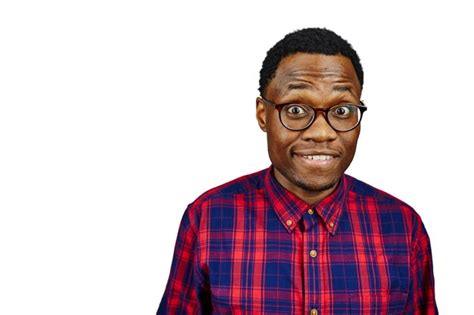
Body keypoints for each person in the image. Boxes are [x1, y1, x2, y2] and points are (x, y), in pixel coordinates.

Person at [157, 28, 438, 314]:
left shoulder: (403, 227)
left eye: (341, 111)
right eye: (295, 109)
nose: (321, 132)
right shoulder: (208, 219)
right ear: (263, 115)